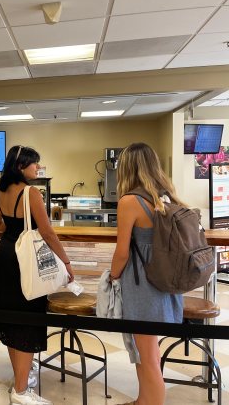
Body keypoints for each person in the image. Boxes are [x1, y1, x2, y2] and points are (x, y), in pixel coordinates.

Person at [0, 145, 74, 405]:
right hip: (24, 259)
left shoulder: (0, 190)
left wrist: (14, 226)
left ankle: (20, 379)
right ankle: (21, 390)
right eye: (34, 164)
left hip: (6, 253)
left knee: (11, 316)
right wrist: (67, 262)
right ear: (20, 167)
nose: (38, 168)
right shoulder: (31, 193)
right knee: (28, 318)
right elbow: (48, 232)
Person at [109, 142, 183, 405]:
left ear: (128, 168)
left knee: (148, 354)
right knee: (147, 350)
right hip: (164, 280)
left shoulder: (130, 201)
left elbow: (122, 253)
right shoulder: (166, 196)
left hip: (142, 284)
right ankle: (143, 400)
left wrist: (112, 276)